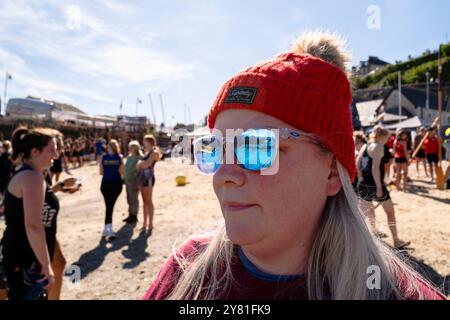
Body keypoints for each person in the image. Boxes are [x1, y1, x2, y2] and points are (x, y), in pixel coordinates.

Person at [143, 32, 444, 300]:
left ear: (330, 170)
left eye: (257, 146)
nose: (224, 175)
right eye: (215, 150)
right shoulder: (184, 271)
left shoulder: (399, 292)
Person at [0, 127, 59, 299]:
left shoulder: (28, 173)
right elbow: (33, 226)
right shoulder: (32, 177)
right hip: (25, 259)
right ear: (35, 152)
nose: (55, 155)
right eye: (51, 150)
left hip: (19, 255)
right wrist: (46, 265)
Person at [357, 126, 410, 250]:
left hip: (364, 183)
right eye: (387, 137)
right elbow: (375, 168)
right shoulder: (379, 146)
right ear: (382, 136)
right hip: (375, 184)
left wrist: (363, 177)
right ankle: (396, 240)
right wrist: (379, 187)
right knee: (390, 212)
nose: (387, 140)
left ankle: (372, 234)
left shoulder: (365, 146)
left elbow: (358, 164)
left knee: (367, 211)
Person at [99, 139, 124, 240]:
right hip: (116, 183)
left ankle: (107, 228)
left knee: (109, 206)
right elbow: (121, 171)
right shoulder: (120, 157)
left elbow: (101, 172)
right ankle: (108, 228)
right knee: (110, 206)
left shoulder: (103, 157)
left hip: (106, 183)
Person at [137, 135, 161, 233]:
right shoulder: (147, 153)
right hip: (143, 178)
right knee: (144, 202)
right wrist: (141, 164)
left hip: (149, 178)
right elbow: (141, 165)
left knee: (148, 201)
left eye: (145, 141)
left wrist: (140, 164)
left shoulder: (154, 152)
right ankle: (144, 223)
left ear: (150, 142)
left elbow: (145, 164)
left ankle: (150, 224)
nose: (143, 143)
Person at [123, 140, 143, 224]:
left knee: (134, 198)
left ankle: (134, 215)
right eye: (130, 147)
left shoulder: (140, 157)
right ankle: (130, 214)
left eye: (132, 147)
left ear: (136, 148)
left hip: (135, 180)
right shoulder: (129, 157)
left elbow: (141, 169)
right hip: (127, 180)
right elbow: (126, 168)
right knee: (129, 198)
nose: (130, 148)